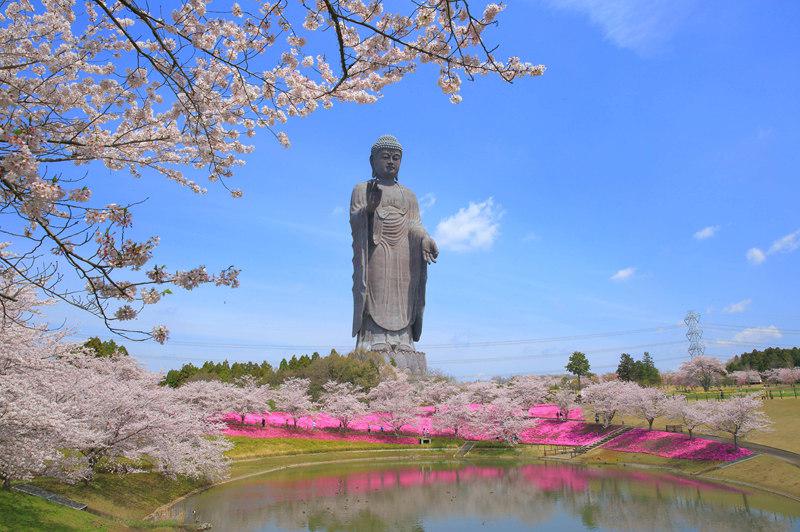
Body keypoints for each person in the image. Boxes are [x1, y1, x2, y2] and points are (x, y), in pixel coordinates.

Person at [350, 135, 438, 358]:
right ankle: (374, 337)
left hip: (404, 252)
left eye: (396, 158)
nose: (391, 162)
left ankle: (403, 339)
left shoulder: (409, 195)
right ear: (372, 161)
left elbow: (414, 224)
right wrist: (368, 209)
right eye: (385, 157)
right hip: (377, 249)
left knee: (405, 294)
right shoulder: (362, 188)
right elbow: (356, 218)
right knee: (376, 290)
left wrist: (425, 237)